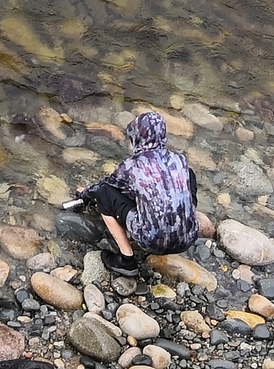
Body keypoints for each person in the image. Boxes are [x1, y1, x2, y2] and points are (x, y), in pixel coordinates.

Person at [73, 111, 199, 274]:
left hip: (152, 241)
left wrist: (84, 195)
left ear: (137, 136)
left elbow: (104, 187)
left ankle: (126, 260)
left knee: (104, 193)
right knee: (188, 174)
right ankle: (184, 220)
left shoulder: (131, 166)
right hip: (189, 237)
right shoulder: (179, 159)